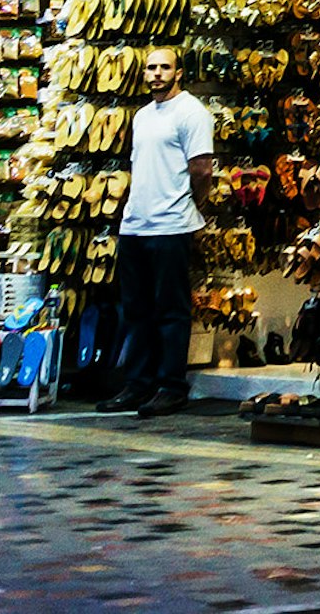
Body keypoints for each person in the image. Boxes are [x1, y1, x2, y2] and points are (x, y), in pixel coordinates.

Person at [109, 48, 214, 417]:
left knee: (171, 310)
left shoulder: (192, 112)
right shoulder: (141, 115)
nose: (156, 74)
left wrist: (193, 205)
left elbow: (202, 169)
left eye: (164, 67)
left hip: (171, 224)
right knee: (135, 309)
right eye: (151, 68)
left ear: (179, 73)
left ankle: (172, 386)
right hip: (136, 223)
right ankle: (137, 383)